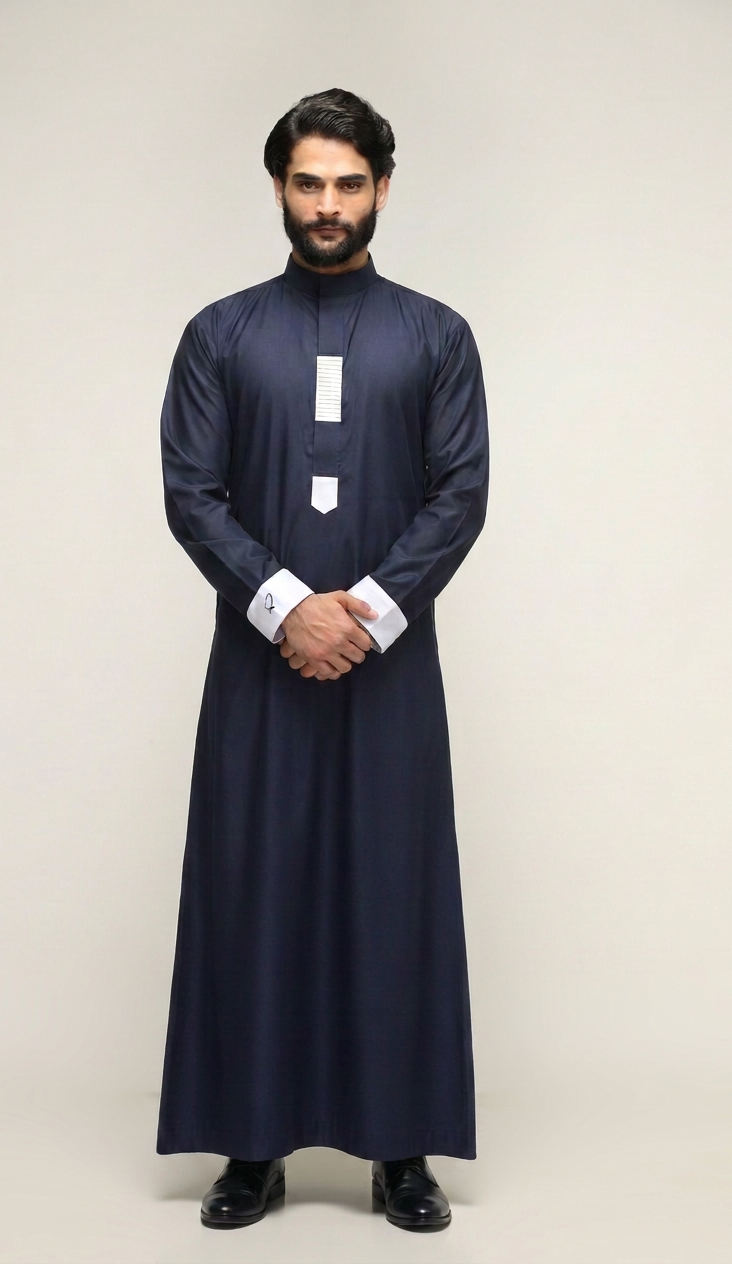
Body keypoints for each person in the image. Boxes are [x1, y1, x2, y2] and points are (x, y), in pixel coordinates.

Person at [156, 88, 489, 1233]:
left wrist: (368, 614)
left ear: (383, 188)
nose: (329, 205)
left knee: (393, 888)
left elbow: (461, 493)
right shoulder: (220, 334)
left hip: (391, 666)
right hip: (260, 662)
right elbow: (191, 492)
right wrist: (289, 607)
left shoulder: (438, 336)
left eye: (349, 183)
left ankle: (403, 1151)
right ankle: (252, 1149)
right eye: (309, 183)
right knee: (253, 884)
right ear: (279, 190)